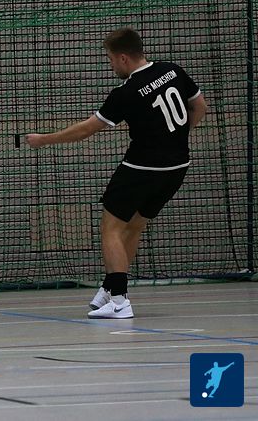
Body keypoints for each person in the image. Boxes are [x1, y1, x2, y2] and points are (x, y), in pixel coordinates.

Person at [25, 27, 206, 319]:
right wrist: (174, 139)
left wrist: (44, 139)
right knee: (134, 226)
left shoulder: (127, 92)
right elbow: (200, 107)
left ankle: (120, 301)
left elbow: (87, 129)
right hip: (177, 168)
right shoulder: (172, 70)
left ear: (123, 58)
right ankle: (111, 287)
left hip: (141, 168)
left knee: (110, 227)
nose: (110, 65)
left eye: (110, 59)